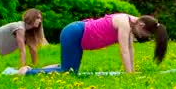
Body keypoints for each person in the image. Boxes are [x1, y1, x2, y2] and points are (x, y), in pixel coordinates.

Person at [19, 13, 168, 74]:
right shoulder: (125, 22)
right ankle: (26, 73)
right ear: (141, 25)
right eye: (144, 34)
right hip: (74, 33)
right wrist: (129, 76)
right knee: (68, 73)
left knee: (69, 69)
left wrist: (133, 72)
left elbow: (130, 49)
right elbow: (123, 51)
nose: (141, 36)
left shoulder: (131, 23)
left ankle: (35, 69)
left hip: (77, 35)